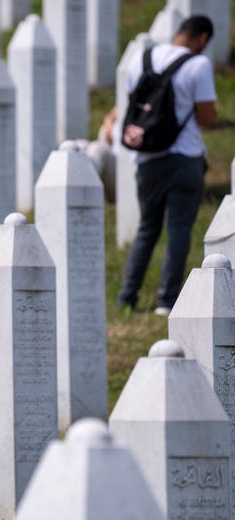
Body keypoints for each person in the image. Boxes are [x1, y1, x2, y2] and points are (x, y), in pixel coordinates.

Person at [116, 15, 217, 316]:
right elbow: (207, 117)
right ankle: (167, 300)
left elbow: (135, 103)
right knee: (179, 229)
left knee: (147, 228)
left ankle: (127, 297)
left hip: (147, 158)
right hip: (184, 157)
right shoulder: (198, 64)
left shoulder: (141, 58)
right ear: (202, 38)